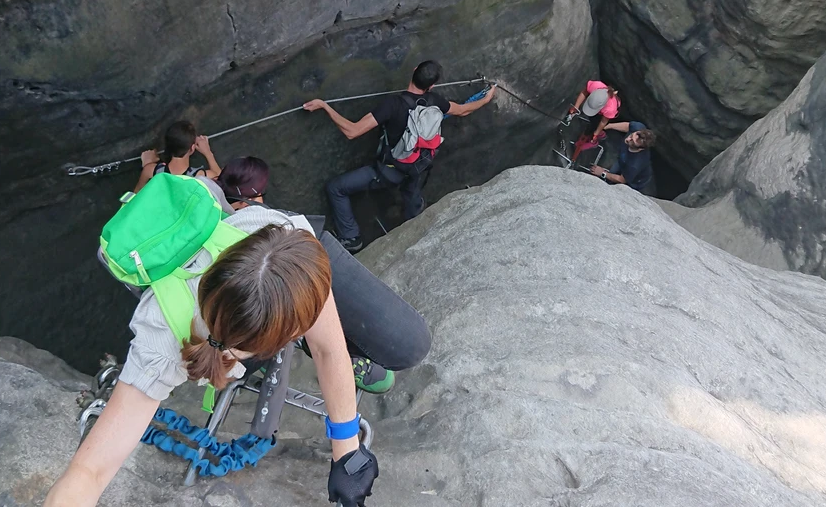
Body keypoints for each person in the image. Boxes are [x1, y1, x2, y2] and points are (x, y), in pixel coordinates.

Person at [48, 203, 430, 507]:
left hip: (280, 259)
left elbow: (328, 346)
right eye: (301, 329)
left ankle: (308, 340)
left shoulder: (283, 236)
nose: (315, 328)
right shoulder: (160, 342)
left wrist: (346, 450)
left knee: (408, 344)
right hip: (237, 324)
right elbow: (90, 471)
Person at [304, 61, 496, 252]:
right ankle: (418, 218)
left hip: (389, 172)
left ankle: (351, 237)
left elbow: (352, 131)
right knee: (412, 198)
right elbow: (463, 110)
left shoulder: (392, 105)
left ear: (414, 71)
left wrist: (324, 106)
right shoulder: (436, 101)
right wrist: (486, 99)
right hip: (418, 167)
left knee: (336, 188)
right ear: (431, 86)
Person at [133, 120, 222, 193]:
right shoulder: (199, 176)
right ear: (192, 148)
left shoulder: (150, 171)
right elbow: (221, 179)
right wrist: (208, 152)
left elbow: (136, 195)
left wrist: (148, 164)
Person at [590, 123, 656, 193]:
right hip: (622, 160)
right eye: (631, 135)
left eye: (632, 142)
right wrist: (608, 126)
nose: (628, 139)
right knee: (613, 171)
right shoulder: (638, 128)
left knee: (618, 186)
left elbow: (622, 180)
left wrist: (603, 173)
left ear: (640, 149)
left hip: (634, 179)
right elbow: (628, 126)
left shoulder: (634, 165)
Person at [567, 81, 621, 157]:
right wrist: (576, 107)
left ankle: (594, 142)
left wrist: (595, 134)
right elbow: (584, 92)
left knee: (595, 125)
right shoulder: (596, 85)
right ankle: (601, 133)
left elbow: (603, 122)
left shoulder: (610, 109)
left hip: (605, 115)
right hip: (598, 111)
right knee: (592, 120)